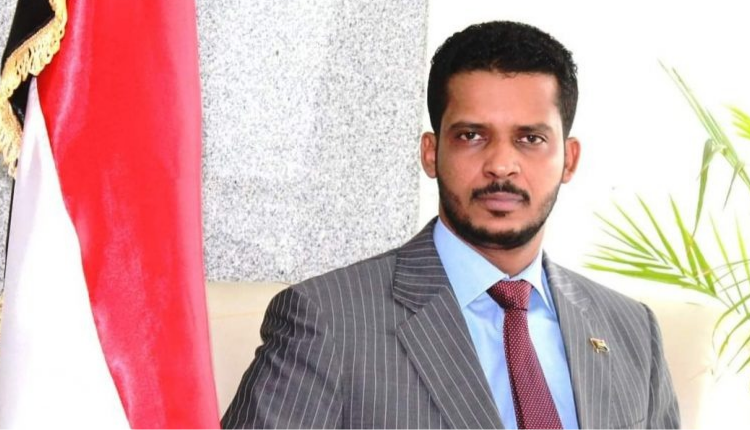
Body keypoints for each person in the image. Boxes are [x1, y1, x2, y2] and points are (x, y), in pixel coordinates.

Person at [221, 21, 680, 429]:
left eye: (530, 138)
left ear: (569, 159)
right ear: (431, 152)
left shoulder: (631, 329)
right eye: (472, 136)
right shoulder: (329, 320)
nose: (501, 164)